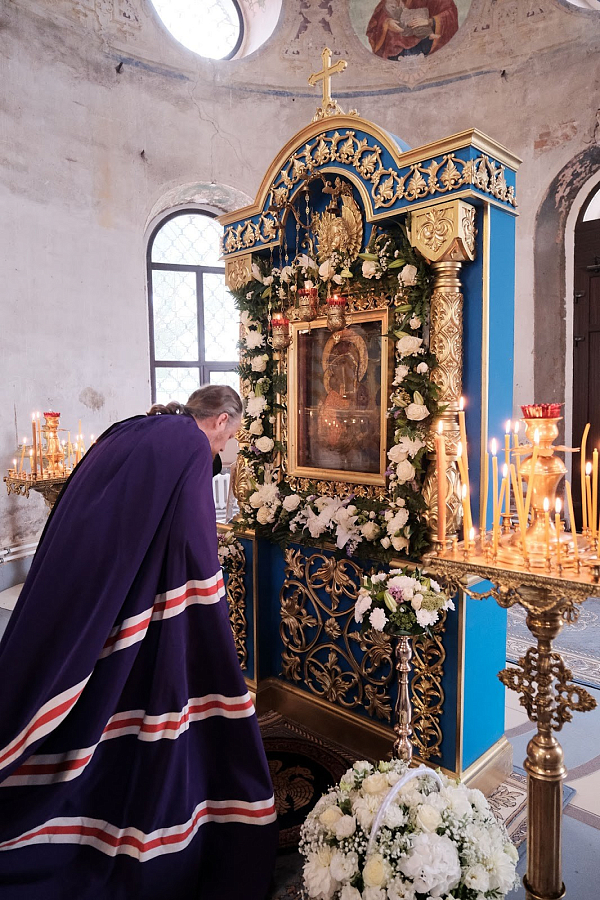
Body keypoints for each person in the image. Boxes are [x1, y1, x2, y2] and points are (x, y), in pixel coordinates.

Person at [0, 385, 277, 899]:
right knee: (157, 692)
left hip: (102, 580)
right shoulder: (190, 444)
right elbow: (192, 536)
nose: (224, 446)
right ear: (220, 420)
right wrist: (209, 595)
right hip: (147, 593)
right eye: (230, 435)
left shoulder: (137, 427)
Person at [366, 0, 459, 58]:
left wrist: (430, 21)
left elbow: (450, 13)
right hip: (398, 44)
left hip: (425, 44)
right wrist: (387, 22)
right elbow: (381, 14)